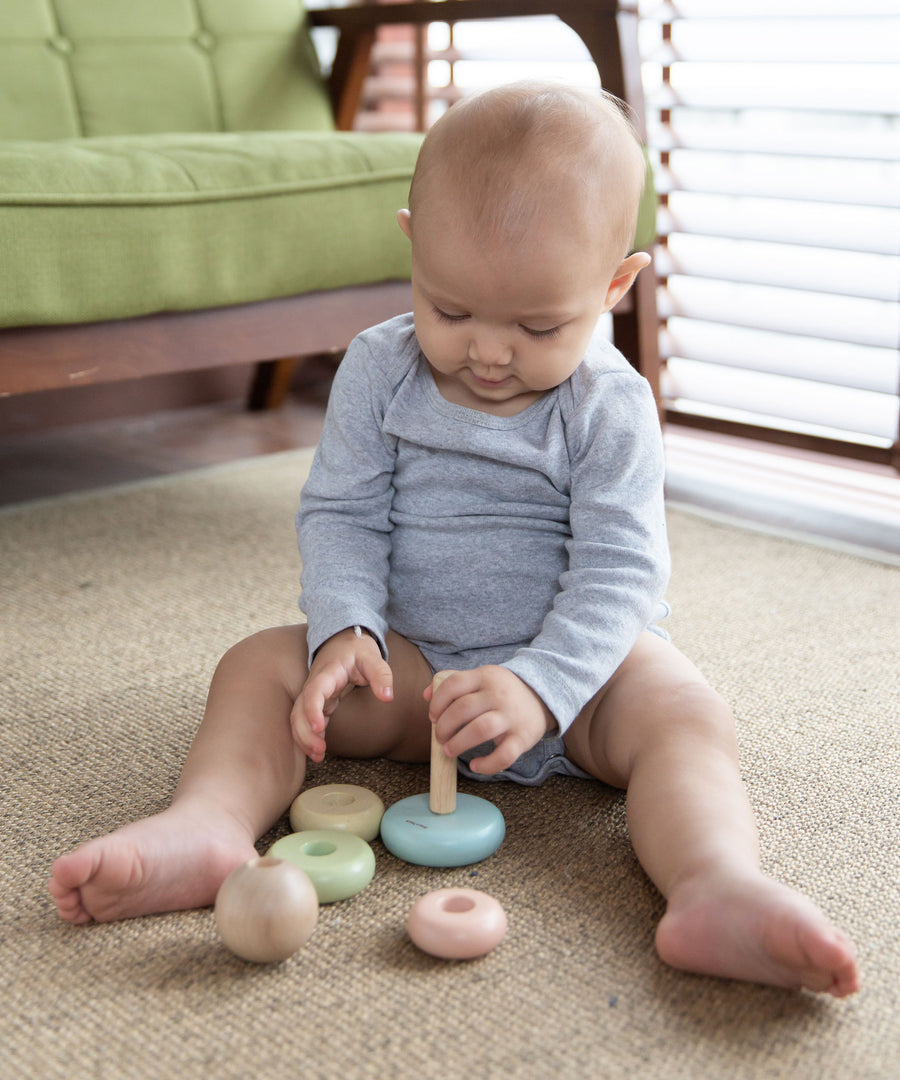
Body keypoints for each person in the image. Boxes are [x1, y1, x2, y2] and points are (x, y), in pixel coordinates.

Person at [48, 82, 859, 997]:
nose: (488, 351)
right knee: (259, 666)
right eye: (451, 309)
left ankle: (717, 886)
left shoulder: (610, 405)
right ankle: (204, 826)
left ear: (615, 285)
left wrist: (542, 684)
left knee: (685, 712)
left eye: (539, 325)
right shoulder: (378, 368)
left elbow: (620, 572)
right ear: (413, 248)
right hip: (415, 672)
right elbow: (342, 512)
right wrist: (347, 629)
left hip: (578, 686)